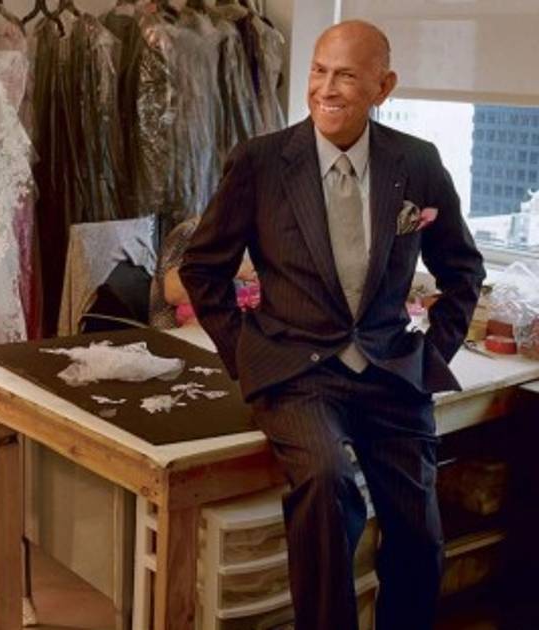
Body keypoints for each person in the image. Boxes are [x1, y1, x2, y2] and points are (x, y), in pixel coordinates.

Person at [180, 20, 484, 630]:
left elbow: (462, 269)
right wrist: (246, 353)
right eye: (320, 71)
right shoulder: (261, 163)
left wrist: (433, 353)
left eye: (346, 75)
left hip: (391, 371)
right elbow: (202, 269)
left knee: (420, 532)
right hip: (297, 373)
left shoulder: (416, 162)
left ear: (383, 86)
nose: (326, 88)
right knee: (326, 485)